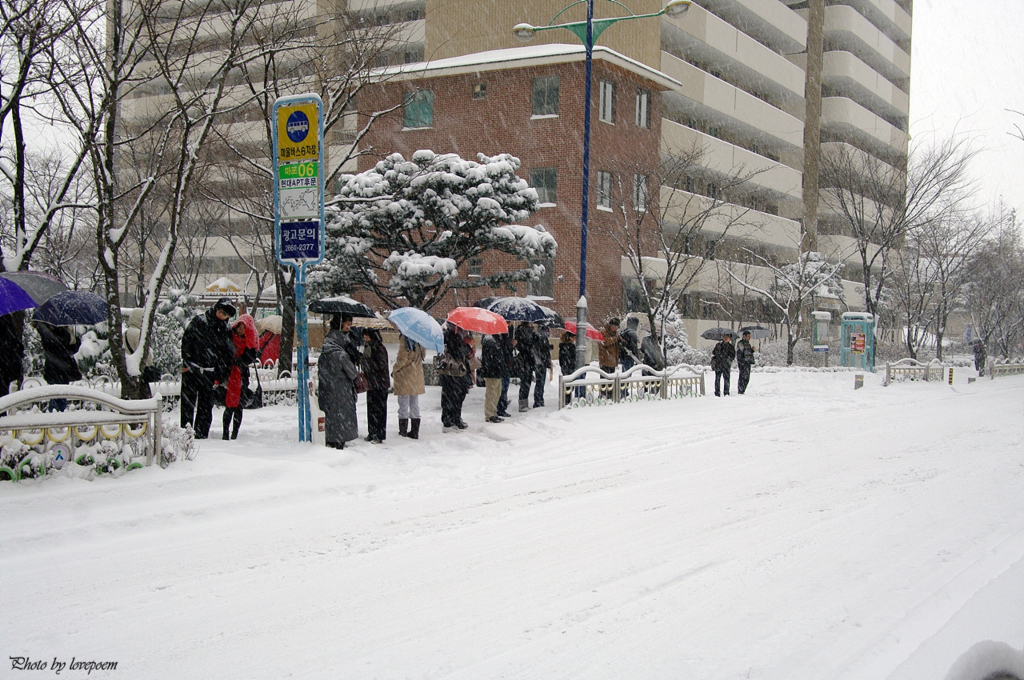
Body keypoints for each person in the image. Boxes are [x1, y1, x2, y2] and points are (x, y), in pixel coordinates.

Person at [180, 297, 235, 438]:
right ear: (216, 308)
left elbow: (226, 354)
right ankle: (185, 435)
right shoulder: (200, 322)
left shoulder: (225, 329)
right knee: (188, 405)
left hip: (210, 374)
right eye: (222, 312)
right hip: (192, 370)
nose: (223, 316)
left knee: (205, 407)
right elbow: (187, 341)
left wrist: (220, 375)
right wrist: (187, 363)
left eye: (226, 315)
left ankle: (201, 435)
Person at [318, 313, 360, 449]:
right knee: (340, 417)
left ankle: (331, 437)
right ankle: (338, 440)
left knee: (331, 416)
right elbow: (352, 372)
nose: (349, 326)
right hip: (341, 392)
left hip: (327, 390)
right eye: (347, 323)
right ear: (340, 324)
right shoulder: (340, 353)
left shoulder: (327, 347)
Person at [222, 314, 258, 440]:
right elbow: (224, 353)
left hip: (241, 376)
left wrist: (239, 362)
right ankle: (225, 432)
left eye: (244, 327)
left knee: (238, 406)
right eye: (239, 326)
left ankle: (235, 432)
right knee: (229, 405)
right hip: (229, 375)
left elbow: (250, 357)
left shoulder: (250, 342)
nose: (240, 330)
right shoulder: (229, 337)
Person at [34, 319, 82, 412]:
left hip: (60, 368)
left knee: (60, 397)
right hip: (57, 368)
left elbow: (69, 350)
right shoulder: (50, 330)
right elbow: (61, 347)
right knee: (57, 398)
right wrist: (71, 338)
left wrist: (75, 340)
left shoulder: (53, 329)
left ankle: (57, 419)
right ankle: (55, 420)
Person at [392, 334, 425, 439]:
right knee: (414, 403)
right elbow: (423, 354)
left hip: (405, 374)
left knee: (403, 403)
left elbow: (403, 358)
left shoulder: (405, 338)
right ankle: (415, 431)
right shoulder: (420, 338)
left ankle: (403, 430)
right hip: (416, 374)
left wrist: (395, 369)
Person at [440, 324, 472, 430]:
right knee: (455, 396)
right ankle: (452, 418)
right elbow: (457, 353)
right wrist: (468, 346)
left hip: (453, 372)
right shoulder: (452, 335)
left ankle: (451, 417)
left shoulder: (455, 335)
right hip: (455, 372)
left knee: (451, 396)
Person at [361, 328, 390, 444]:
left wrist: (367, 363)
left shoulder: (379, 348)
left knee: (380, 410)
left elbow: (380, 365)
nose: (365, 338)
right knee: (371, 409)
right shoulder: (368, 347)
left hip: (380, 383)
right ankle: (372, 432)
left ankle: (379, 434)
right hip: (372, 384)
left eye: (366, 336)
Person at [124, 308, 161, 383]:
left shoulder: (124, 333)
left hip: (129, 372)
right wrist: (151, 365)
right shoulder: (138, 334)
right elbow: (144, 354)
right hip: (140, 373)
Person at [480, 333, 505, 422]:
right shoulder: (489, 340)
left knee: (497, 393)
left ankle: (494, 412)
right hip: (492, 372)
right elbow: (489, 358)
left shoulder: (497, 339)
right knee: (491, 393)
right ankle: (489, 414)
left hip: (497, 371)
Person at [515, 322, 539, 412]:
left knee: (527, 381)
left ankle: (524, 402)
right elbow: (523, 345)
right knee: (525, 382)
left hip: (529, 360)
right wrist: (529, 342)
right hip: (524, 360)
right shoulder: (520, 331)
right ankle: (522, 403)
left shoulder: (530, 332)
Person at [0, 313, 25, 398]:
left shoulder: (5, 319)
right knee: (3, 398)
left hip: (4, 366)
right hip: (4, 366)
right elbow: (14, 343)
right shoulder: (5, 319)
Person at [599, 318, 621, 399]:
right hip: (605, 360)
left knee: (611, 380)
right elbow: (604, 342)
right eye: (615, 326)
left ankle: (610, 395)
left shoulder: (615, 333)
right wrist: (615, 339)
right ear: (611, 325)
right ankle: (603, 395)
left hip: (612, 361)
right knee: (604, 380)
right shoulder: (604, 332)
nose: (616, 328)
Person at [495, 331, 515, 418]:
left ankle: (501, 406)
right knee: (503, 388)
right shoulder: (502, 340)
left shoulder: (502, 339)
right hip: (503, 366)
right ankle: (501, 408)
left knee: (503, 388)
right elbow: (506, 351)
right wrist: (511, 345)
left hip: (505, 366)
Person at [532, 324, 552, 408]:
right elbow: (542, 351)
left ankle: (539, 399)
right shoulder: (540, 339)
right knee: (540, 382)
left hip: (540, 362)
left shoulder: (540, 338)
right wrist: (547, 347)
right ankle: (538, 400)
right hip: (540, 363)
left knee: (540, 382)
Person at [711, 332, 736, 397]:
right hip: (718, 364)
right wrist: (719, 354)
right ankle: (717, 392)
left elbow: (732, 356)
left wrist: (727, 359)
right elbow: (714, 352)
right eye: (725, 337)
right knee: (717, 379)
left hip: (726, 365)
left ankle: (726, 392)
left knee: (726, 379)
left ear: (730, 339)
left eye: (727, 337)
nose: (726, 338)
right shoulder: (719, 345)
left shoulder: (731, 347)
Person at [559, 330, 578, 406]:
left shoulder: (569, 346)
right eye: (574, 337)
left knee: (569, 386)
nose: (575, 339)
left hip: (569, 367)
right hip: (567, 368)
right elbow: (564, 359)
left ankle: (567, 401)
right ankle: (567, 401)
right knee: (568, 386)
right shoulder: (566, 347)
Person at [735, 330, 755, 395]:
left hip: (748, 362)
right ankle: (741, 391)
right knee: (742, 377)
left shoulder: (748, 344)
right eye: (748, 336)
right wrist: (742, 362)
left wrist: (752, 350)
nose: (749, 338)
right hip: (743, 363)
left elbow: (748, 353)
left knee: (747, 378)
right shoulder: (740, 343)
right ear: (744, 336)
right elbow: (740, 354)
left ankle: (743, 390)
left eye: (750, 336)